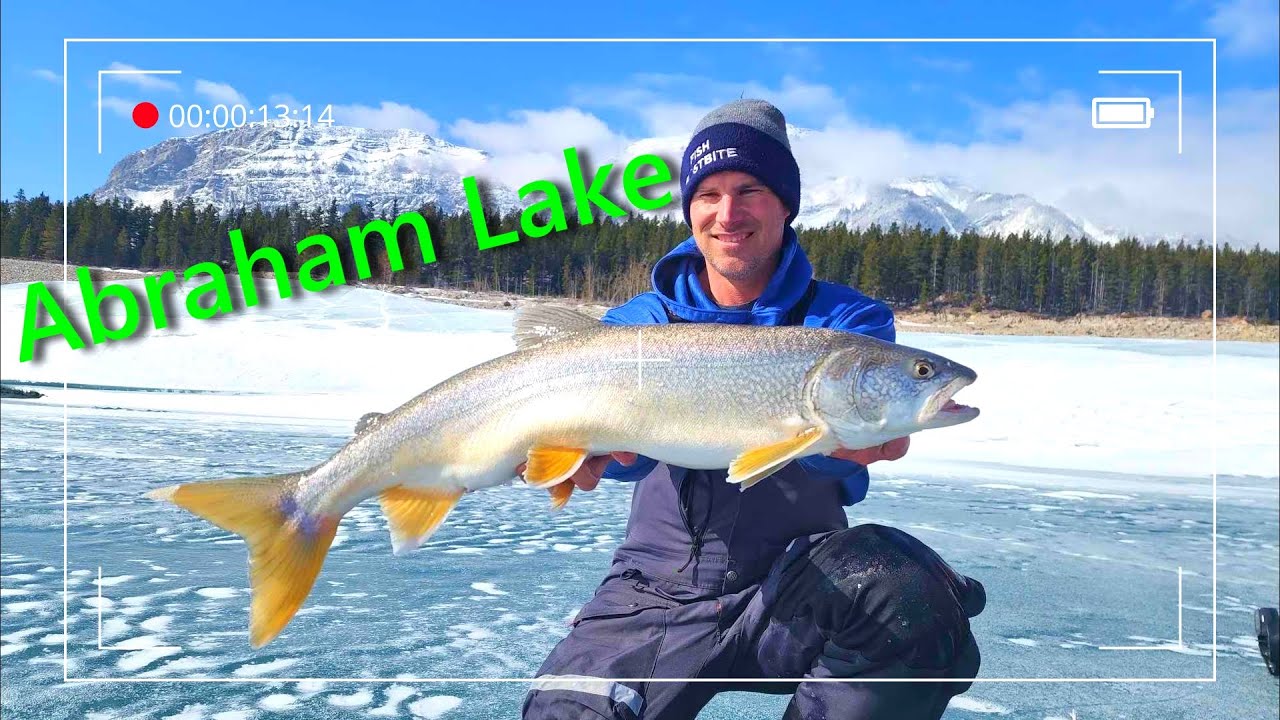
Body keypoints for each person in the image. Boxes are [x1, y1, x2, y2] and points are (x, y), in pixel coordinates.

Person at [521, 99, 985, 720]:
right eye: (708, 193)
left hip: (799, 586)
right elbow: (624, 463)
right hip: (654, 590)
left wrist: (838, 451)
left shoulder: (846, 325)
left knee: (906, 598)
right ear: (688, 206)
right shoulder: (639, 325)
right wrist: (582, 456)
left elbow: (846, 468)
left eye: (750, 189)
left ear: (785, 202)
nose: (728, 213)